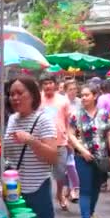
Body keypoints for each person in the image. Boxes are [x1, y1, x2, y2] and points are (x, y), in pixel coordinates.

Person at [3, 76, 58, 218]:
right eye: (11, 94)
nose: (14, 98)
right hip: (13, 191)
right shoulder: (12, 119)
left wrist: (31, 140)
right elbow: (10, 154)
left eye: (20, 93)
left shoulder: (43, 120)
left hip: (37, 190)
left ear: (33, 95)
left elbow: (53, 157)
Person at [68, 83, 110, 218]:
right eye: (82, 95)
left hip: (100, 158)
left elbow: (109, 134)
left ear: (95, 96)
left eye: (86, 95)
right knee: (86, 190)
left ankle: (91, 213)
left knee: (96, 188)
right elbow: (70, 134)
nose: (83, 98)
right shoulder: (76, 114)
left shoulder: (103, 113)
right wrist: (82, 150)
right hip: (82, 158)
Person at [40, 74, 71, 211]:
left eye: (50, 83)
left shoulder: (63, 100)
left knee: (60, 173)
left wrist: (70, 139)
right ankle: (44, 197)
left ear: (55, 84)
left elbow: (68, 121)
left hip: (60, 142)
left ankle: (59, 194)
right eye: (45, 83)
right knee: (42, 173)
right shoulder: (37, 99)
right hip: (42, 142)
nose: (48, 86)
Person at [64, 80, 81, 202]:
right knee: (68, 165)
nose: (73, 91)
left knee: (74, 164)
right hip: (64, 136)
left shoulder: (80, 102)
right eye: (70, 89)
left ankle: (74, 189)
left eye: (75, 89)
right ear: (66, 90)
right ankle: (69, 188)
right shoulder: (62, 102)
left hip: (78, 135)